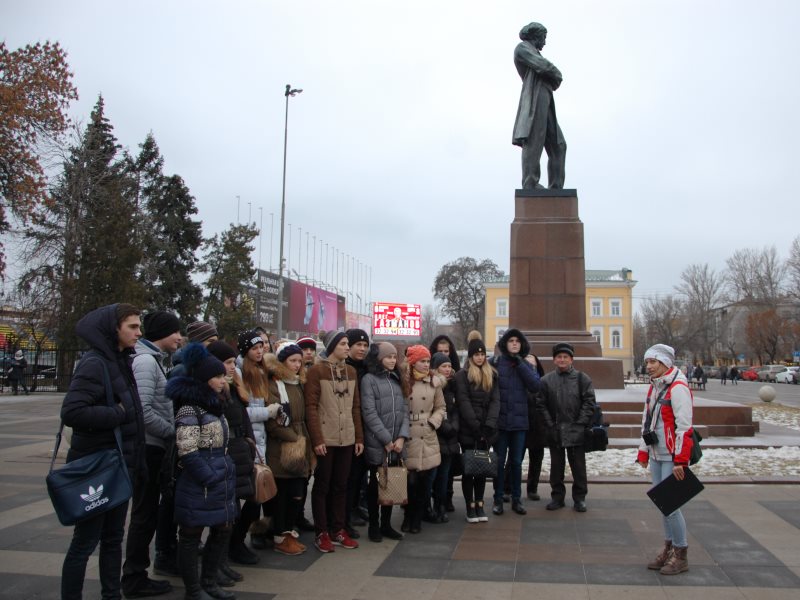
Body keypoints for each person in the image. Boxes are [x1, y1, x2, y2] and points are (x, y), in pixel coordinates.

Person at [59, 303, 147, 600]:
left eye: (139, 326)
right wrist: (117, 413)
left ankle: (112, 595)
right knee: (85, 542)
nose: (139, 332)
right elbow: (72, 411)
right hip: (97, 468)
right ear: (114, 329)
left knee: (112, 539)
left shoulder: (120, 360)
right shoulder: (95, 362)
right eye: (132, 327)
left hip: (118, 467)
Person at [166, 343, 238, 600]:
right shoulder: (189, 409)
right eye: (217, 376)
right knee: (190, 534)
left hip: (220, 479)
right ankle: (193, 589)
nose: (222, 380)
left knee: (222, 529)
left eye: (222, 375)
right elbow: (187, 450)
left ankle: (209, 582)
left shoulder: (216, 407)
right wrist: (210, 477)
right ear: (203, 379)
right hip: (201, 481)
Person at [122, 311, 182, 597]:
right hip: (148, 448)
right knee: (144, 514)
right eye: (175, 332)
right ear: (163, 333)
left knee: (146, 513)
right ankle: (134, 576)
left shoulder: (154, 360)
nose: (180, 338)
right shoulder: (146, 362)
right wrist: (172, 431)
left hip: (154, 448)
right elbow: (142, 411)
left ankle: (138, 572)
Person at [637, 343, 695, 576]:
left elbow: (684, 427)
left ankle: (681, 555)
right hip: (656, 453)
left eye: (653, 362)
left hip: (672, 455)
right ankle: (669, 548)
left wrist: (681, 460)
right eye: (647, 362)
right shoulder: (655, 387)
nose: (648, 366)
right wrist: (643, 450)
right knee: (663, 504)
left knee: (671, 506)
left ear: (665, 363)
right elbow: (647, 420)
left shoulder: (678, 388)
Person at [305, 330, 364, 553]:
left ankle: (338, 529)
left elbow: (355, 406)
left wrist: (358, 436)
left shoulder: (350, 371)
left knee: (342, 485)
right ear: (331, 347)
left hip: (347, 437)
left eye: (347, 343)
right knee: (323, 485)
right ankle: (322, 532)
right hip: (326, 438)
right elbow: (311, 407)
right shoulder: (316, 371)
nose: (348, 347)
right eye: (343, 343)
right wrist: (317, 438)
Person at [228, 330, 282, 564]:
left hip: (260, 441)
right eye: (254, 348)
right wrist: (267, 412)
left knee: (256, 497)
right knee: (248, 499)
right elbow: (242, 412)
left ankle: (238, 544)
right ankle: (234, 545)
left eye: (262, 346)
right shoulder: (238, 372)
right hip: (246, 443)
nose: (260, 351)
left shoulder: (261, 371)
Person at [208, 340, 257, 587]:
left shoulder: (232, 386)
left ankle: (223, 560)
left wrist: (249, 439)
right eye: (227, 362)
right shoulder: (212, 390)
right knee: (224, 515)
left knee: (240, 509)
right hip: (223, 455)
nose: (231, 366)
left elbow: (243, 416)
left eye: (231, 362)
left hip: (240, 451)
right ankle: (214, 566)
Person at [264, 343, 315, 555]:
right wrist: (295, 439)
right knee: (283, 494)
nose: (296, 365)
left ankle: (289, 532)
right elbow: (273, 421)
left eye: (299, 361)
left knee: (298, 492)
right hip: (283, 445)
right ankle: (280, 535)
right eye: (292, 361)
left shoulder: (299, 383)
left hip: (301, 439)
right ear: (282, 361)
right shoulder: (274, 384)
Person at [537, 342, 595, 512]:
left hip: (576, 429)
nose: (562, 360)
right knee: (556, 466)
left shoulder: (582, 378)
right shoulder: (546, 380)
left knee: (578, 467)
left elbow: (589, 402)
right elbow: (541, 405)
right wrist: (549, 424)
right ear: (554, 360)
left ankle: (579, 498)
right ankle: (557, 497)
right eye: (559, 357)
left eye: (565, 357)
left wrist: (580, 423)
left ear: (571, 359)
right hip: (555, 430)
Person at [359, 342, 408, 542]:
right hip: (378, 443)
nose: (392, 360)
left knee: (391, 482)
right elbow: (369, 412)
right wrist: (387, 440)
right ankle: (374, 525)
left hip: (396, 444)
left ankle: (386, 525)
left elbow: (405, 410)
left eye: (394, 357)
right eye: (388, 357)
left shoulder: (397, 379)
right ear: (378, 358)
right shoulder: (369, 380)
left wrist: (402, 437)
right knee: (375, 485)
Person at [512, 21, 566, 190]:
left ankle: (556, 189)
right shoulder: (522, 48)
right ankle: (530, 182)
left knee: (559, 145)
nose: (545, 41)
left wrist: (554, 77)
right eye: (544, 37)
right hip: (535, 96)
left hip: (546, 95)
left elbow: (550, 75)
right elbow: (543, 67)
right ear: (535, 35)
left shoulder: (533, 51)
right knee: (535, 138)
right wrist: (556, 73)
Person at [492, 329, 540, 516]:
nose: (514, 343)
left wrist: (520, 363)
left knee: (516, 463)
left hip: (519, 423)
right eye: (510, 340)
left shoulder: (525, 364)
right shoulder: (495, 363)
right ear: (505, 343)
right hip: (501, 422)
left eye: (517, 341)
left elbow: (535, 386)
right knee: (498, 462)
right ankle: (498, 499)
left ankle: (517, 499)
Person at [455, 333, 500, 524]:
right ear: (471, 356)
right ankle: (469, 506)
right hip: (469, 431)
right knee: (469, 468)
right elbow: (463, 402)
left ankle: (480, 503)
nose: (480, 357)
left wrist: (489, 425)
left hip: (486, 431)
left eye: (482, 354)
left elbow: (495, 402)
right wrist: (475, 427)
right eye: (476, 354)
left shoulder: (492, 375)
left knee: (481, 468)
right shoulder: (462, 376)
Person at [401, 345, 445, 534]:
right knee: (409, 482)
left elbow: (441, 407)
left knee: (424, 483)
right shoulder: (402, 381)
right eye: (422, 361)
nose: (426, 365)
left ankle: (417, 518)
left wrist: (432, 423)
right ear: (412, 362)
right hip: (407, 433)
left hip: (427, 434)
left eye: (428, 361)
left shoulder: (434, 383)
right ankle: (407, 516)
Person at [343, 328, 371, 537]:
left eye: (365, 345)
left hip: (364, 428)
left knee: (360, 474)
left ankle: (353, 508)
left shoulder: (368, 368)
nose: (362, 349)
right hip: (347, 429)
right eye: (357, 345)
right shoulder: (344, 368)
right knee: (348, 477)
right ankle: (344, 517)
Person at [428, 352, 459, 523]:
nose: (447, 369)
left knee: (444, 476)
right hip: (435, 435)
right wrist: (446, 426)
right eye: (443, 366)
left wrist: (454, 427)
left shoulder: (454, 384)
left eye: (449, 366)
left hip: (450, 438)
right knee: (432, 476)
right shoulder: (432, 384)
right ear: (436, 368)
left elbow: (456, 409)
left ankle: (441, 506)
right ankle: (429, 506)